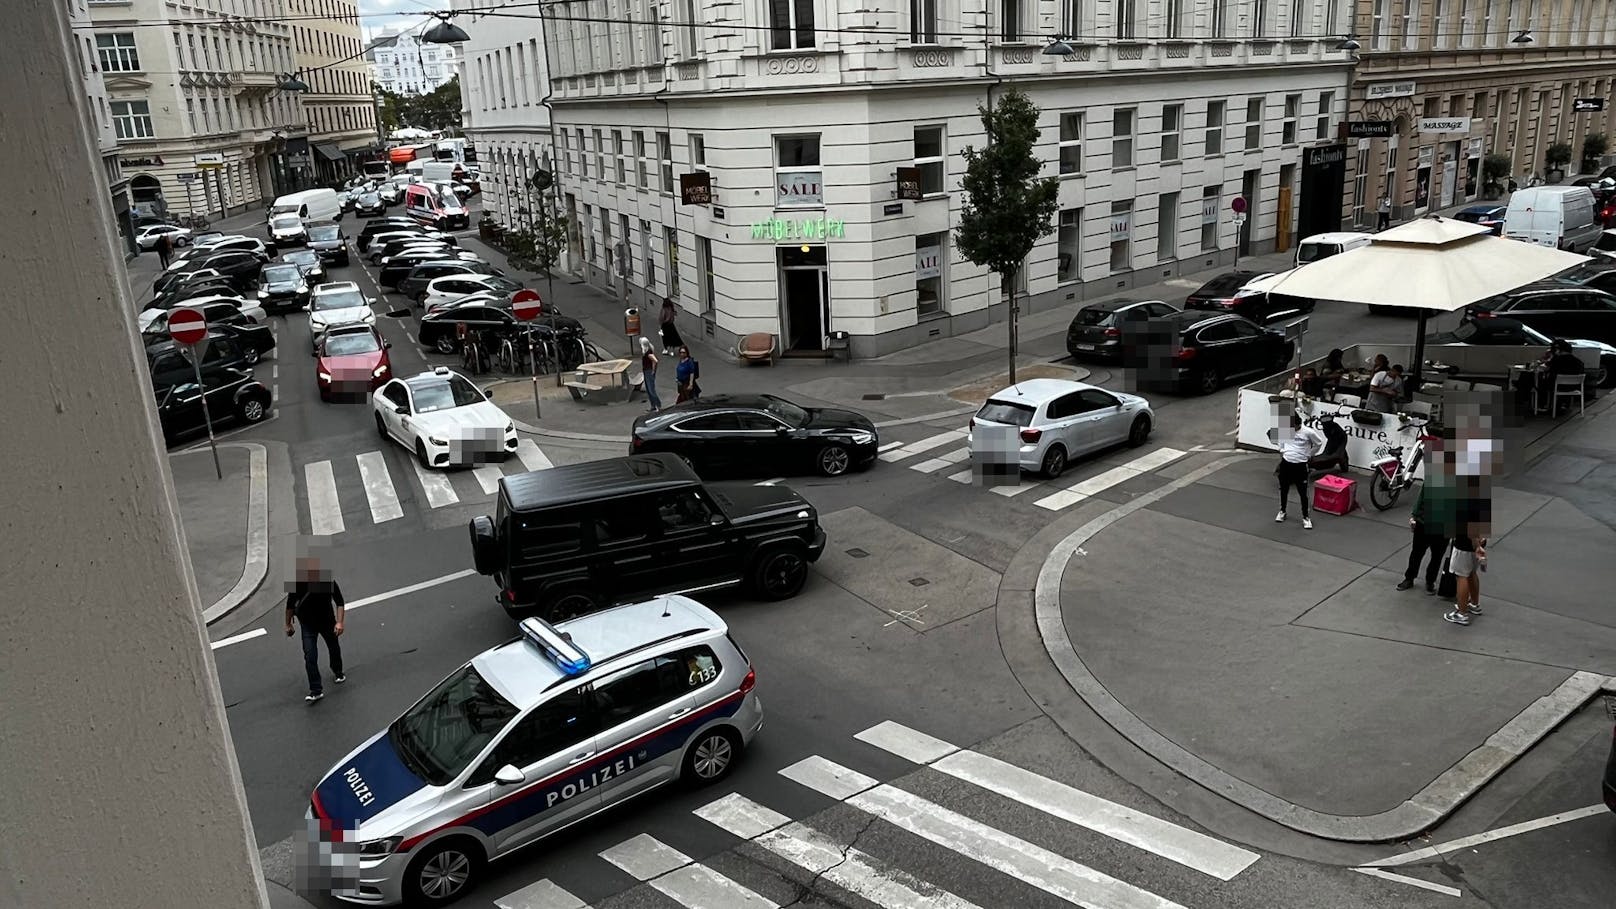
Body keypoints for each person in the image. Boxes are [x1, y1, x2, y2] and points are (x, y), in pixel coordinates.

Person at [284, 555, 346, 702]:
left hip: (327, 621)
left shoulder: (328, 581)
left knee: (333, 647)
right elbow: (290, 605)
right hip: (307, 625)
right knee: (310, 656)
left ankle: (338, 671)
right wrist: (288, 624)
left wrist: (339, 622)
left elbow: (340, 601)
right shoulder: (297, 583)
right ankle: (316, 689)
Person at [1276, 412, 1325, 529]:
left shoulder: (1308, 432)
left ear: (1299, 424)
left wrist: (1309, 454)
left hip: (1300, 465)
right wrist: (1282, 450)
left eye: (1293, 426)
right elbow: (1280, 442)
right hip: (1286, 463)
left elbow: (1319, 443)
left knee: (1303, 492)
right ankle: (1282, 511)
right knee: (1284, 489)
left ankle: (1306, 517)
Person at [1398, 483, 1447, 594]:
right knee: (1417, 553)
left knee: (1437, 556)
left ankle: (1430, 581)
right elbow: (1421, 497)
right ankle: (1409, 578)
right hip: (1424, 521)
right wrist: (1414, 516)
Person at [639, 336, 662, 412]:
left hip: (648, 371)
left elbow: (655, 361)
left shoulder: (648, 352)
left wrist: (653, 371)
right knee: (649, 390)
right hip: (646, 371)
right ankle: (653, 406)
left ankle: (658, 405)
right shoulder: (648, 350)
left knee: (651, 390)